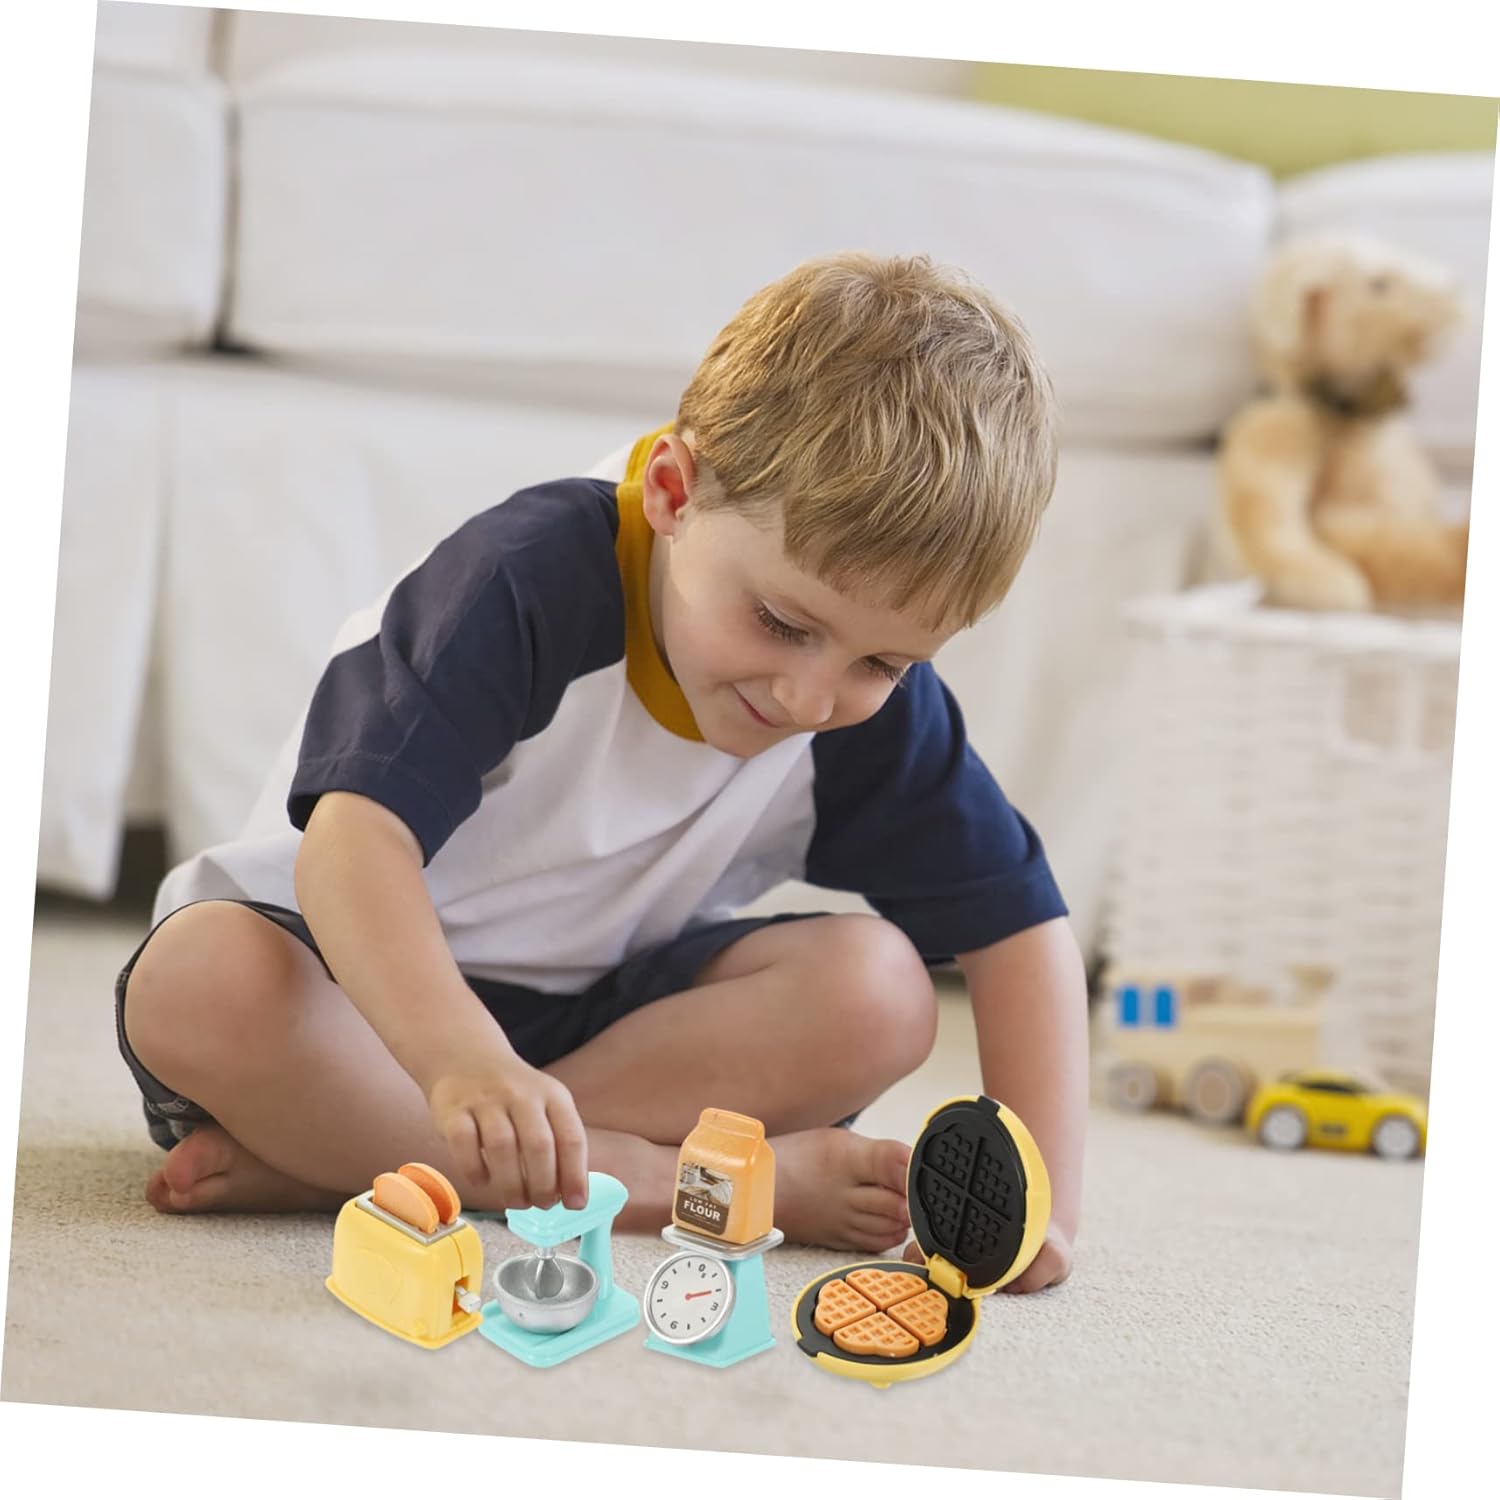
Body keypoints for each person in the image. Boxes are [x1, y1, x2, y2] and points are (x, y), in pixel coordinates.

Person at [116, 252, 1086, 1291]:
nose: (811, 699)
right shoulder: (524, 581)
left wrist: (1044, 1214)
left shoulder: (858, 708)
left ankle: (378, 1163)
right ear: (673, 491)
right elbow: (353, 846)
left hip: (602, 1025)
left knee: (883, 991)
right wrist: (459, 1063)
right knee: (196, 982)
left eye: (882, 665)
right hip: (355, 1003)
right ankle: (674, 1185)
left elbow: (1020, 930)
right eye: (779, 622)